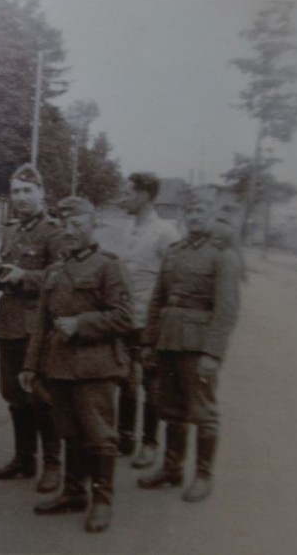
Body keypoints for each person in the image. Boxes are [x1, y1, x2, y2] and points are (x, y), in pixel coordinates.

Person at [20, 196, 132, 534]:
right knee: (69, 431)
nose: (69, 232)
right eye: (65, 225)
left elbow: (124, 317)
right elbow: (41, 322)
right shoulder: (55, 270)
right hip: (59, 367)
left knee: (99, 436)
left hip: (95, 368)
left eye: (77, 225)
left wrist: (81, 324)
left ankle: (102, 500)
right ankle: (73, 492)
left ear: (92, 227)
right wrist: (30, 366)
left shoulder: (108, 266)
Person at [137, 197, 241, 503]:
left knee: (203, 412)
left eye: (201, 211)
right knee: (171, 409)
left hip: (198, 347)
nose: (194, 216)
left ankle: (203, 475)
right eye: (190, 210)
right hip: (168, 341)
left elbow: (226, 311)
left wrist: (213, 354)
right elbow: (158, 301)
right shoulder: (175, 252)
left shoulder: (223, 256)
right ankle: (171, 469)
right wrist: (149, 342)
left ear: (212, 214)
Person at [0, 163, 63, 493]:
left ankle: (52, 463)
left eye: (27, 191)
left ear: (42, 193)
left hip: (37, 327)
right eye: (16, 192)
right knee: (14, 394)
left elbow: (62, 278)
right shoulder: (11, 229)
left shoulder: (54, 232)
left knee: (40, 396)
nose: (20, 197)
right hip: (9, 322)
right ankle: (24, 457)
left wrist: (25, 277)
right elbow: (5, 279)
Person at [116, 173, 181, 468]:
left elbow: (174, 281)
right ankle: (125, 437)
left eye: (128, 192)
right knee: (126, 381)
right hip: (126, 319)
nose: (123, 197)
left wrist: (161, 324)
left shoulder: (165, 233)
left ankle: (150, 443)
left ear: (144, 195)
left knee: (151, 385)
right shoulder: (129, 227)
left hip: (150, 323)